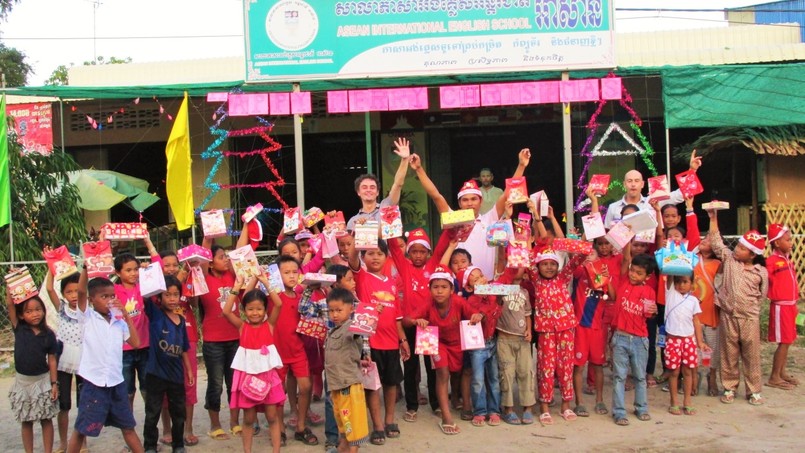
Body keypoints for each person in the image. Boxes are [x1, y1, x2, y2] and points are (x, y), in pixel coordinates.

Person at [411, 147, 531, 278]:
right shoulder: (454, 219)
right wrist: (419, 169)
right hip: (460, 285)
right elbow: (436, 196)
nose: (469, 203)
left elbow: (508, 193)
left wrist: (521, 165)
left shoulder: (489, 218)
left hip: (486, 282)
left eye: (474, 199)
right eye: (465, 200)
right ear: (459, 203)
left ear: (481, 201)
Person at [67, 271, 143, 453]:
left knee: (128, 426)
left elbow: (136, 342)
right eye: (104, 296)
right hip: (94, 383)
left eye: (112, 296)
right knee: (82, 429)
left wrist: (125, 314)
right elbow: (81, 291)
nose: (109, 300)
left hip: (116, 383)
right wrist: (86, 269)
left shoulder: (118, 321)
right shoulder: (87, 318)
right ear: (92, 299)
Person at [347, 236, 410, 445]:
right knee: (372, 386)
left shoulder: (392, 283)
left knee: (391, 383)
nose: (375, 257)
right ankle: (377, 426)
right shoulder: (361, 277)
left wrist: (403, 340)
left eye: (379, 253)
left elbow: (398, 318)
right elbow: (352, 256)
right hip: (368, 343)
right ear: (364, 256)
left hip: (392, 343)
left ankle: (389, 419)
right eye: (370, 253)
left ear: (386, 257)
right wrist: (361, 236)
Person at [406, 267, 482, 435]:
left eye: (444, 287)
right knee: (443, 374)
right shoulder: (428, 304)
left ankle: (456, 398)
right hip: (437, 342)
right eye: (435, 287)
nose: (439, 291)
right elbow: (407, 320)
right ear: (430, 289)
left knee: (457, 373)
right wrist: (416, 321)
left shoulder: (459, 302)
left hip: (456, 344)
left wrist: (477, 316)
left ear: (452, 289)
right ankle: (446, 417)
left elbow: (474, 313)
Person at [706, 209, 769, 405]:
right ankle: (729, 387)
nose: (737, 250)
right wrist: (713, 218)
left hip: (749, 318)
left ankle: (754, 390)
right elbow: (716, 242)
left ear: (752, 255)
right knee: (729, 353)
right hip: (728, 316)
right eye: (738, 246)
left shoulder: (761, 272)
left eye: (742, 248)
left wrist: (751, 309)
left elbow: (762, 295)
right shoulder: (730, 261)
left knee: (751, 355)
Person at [388, 228, 451, 422]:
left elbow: (442, 246)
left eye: (422, 251)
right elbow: (393, 246)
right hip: (408, 325)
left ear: (428, 253)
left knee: (431, 367)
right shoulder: (404, 267)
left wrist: (450, 225)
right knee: (410, 367)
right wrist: (390, 223)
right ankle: (412, 406)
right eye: (413, 251)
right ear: (408, 252)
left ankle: (435, 403)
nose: (417, 255)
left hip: (427, 326)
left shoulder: (432, 265)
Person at [221, 279, 285, 453]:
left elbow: (278, 304)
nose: (255, 313)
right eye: (250, 309)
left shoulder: (269, 325)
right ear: (244, 310)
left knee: (272, 416)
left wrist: (265, 282)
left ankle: (276, 450)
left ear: (265, 309)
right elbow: (226, 311)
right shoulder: (242, 327)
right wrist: (235, 287)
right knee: (248, 418)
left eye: (259, 308)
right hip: (247, 379)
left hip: (268, 378)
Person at [532, 248, 587, 425]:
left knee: (566, 367)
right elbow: (523, 261)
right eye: (545, 264)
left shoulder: (563, 277)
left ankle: (566, 405)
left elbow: (578, 260)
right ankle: (545, 407)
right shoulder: (536, 280)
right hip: (546, 330)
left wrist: (581, 245)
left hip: (566, 328)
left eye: (553, 264)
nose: (549, 267)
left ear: (558, 266)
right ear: (538, 266)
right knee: (546, 368)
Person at [270, 255, 319, 446]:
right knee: (278, 392)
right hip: (277, 352)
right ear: (277, 275)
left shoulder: (301, 298)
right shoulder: (273, 297)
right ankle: (280, 429)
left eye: (295, 272)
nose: (291, 276)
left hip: (298, 350)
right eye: (286, 272)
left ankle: (300, 426)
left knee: (306, 386)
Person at [142, 275, 193, 453]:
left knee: (179, 413)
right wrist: (148, 273)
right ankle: (149, 446)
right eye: (167, 295)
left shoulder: (180, 322)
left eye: (175, 295)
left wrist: (189, 371)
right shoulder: (155, 314)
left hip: (176, 375)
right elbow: (145, 295)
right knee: (152, 412)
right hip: (155, 373)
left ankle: (178, 445)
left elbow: (184, 348)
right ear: (159, 297)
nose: (172, 299)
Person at [606, 253, 657, 426]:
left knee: (640, 377)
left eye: (639, 273)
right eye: (632, 271)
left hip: (640, 340)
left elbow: (649, 314)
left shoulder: (649, 292)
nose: (633, 275)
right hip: (620, 337)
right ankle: (619, 412)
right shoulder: (622, 282)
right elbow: (626, 258)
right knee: (619, 377)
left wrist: (653, 310)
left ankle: (641, 408)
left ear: (647, 276)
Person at [155, 250, 199, 447]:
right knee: (164, 388)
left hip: (187, 338)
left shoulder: (188, 281)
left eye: (175, 264)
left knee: (189, 386)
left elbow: (196, 305)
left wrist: (194, 280)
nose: (171, 268)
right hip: (164, 342)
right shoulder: (156, 289)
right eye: (167, 265)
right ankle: (167, 429)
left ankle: (188, 429)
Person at [6, 289, 59, 453]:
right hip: (23, 383)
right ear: (21, 315)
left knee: (46, 418)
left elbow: (52, 359)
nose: (35, 314)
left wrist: (54, 383)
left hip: (43, 381)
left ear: (44, 311)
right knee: (26, 420)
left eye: (38, 310)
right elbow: (9, 304)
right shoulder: (19, 328)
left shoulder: (48, 334)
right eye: (29, 311)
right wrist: (11, 286)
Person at [44, 269, 88, 453]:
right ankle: (63, 442)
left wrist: (85, 270)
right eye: (69, 292)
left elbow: (85, 290)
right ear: (63, 294)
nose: (73, 295)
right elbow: (48, 288)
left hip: (83, 361)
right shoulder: (61, 308)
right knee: (64, 405)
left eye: (77, 291)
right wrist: (51, 266)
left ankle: (82, 443)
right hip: (63, 361)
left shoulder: (86, 309)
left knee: (83, 404)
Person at [324, 288, 372, 453]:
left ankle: (352, 450)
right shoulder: (333, 330)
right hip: (336, 384)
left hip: (348, 384)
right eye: (331, 310)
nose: (334, 314)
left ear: (351, 309)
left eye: (339, 310)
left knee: (352, 422)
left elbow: (362, 331)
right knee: (342, 421)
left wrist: (371, 314)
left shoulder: (352, 327)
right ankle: (342, 448)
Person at [603, 150, 702, 228]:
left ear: (642, 184)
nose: (633, 184)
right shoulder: (613, 207)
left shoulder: (653, 201)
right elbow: (607, 233)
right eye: (629, 181)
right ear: (624, 184)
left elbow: (680, 194)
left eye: (636, 181)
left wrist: (692, 170)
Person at [663, 274, 710, 416]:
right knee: (674, 372)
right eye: (678, 282)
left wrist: (700, 341)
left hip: (688, 340)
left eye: (685, 282)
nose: (681, 285)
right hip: (673, 339)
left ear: (691, 284)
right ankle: (674, 401)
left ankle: (687, 401)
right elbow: (669, 276)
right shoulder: (671, 294)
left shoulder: (693, 300)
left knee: (688, 371)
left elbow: (696, 321)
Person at [495, 265, 535, 425]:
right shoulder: (501, 289)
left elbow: (528, 315)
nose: (515, 269)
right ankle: (508, 409)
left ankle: (528, 407)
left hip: (523, 341)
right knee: (507, 374)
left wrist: (529, 331)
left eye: (519, 269)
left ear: (525, 276)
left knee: (526, 372)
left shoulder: (524, 293)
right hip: (505, 339)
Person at [346, 137, 411, 231]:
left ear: (377, 192)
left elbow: (398, 184)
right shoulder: (353, 221)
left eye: (372, 187)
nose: (368, 190)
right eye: (364, 187)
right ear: (358, 192)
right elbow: (348, 245)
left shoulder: (387, 205)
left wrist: (405, 160)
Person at [113, 252, 151, 410]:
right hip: (124, 349)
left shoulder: (143, 287)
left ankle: (151, 424)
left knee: (147, 389)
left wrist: (148, 270)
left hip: (145, 346)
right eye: (128, 270)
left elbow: (158, 274)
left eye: (135, 269)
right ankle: (128, 425)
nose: (133, 273)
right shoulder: (113, 291)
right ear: (117, 273)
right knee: (127, 391)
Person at [766, 223, 800, 390]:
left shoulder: (787, 260)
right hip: (780, 307)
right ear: (777, 243)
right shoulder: (772, 261)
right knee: (784, 342)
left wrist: (795, 303)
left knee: (789, 340)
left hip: (790, 305)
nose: (791, 242)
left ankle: (781, 372)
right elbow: (765, 281)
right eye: (787, 239)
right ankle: (774, 377)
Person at [693, 229, 722, 397]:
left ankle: (712, 376)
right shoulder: (690, 259)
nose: (704, 240)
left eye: (709, 240)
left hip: (711, 310)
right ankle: (695, 376)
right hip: (694, 312)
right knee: (695, 346)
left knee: (712, 346)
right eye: (704, 237)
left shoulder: (718, 264)